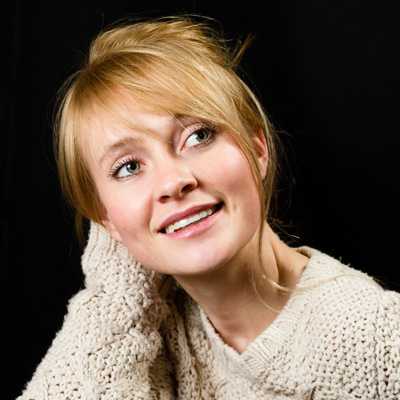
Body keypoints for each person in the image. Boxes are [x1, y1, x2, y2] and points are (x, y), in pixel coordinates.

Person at [19, 15, 399, 399]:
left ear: (257, 149)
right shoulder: (143, 335)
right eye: (129, 167)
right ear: (105, 221)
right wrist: (117, 294)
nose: (172, 181)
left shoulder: (375, 340)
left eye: (198, 135)